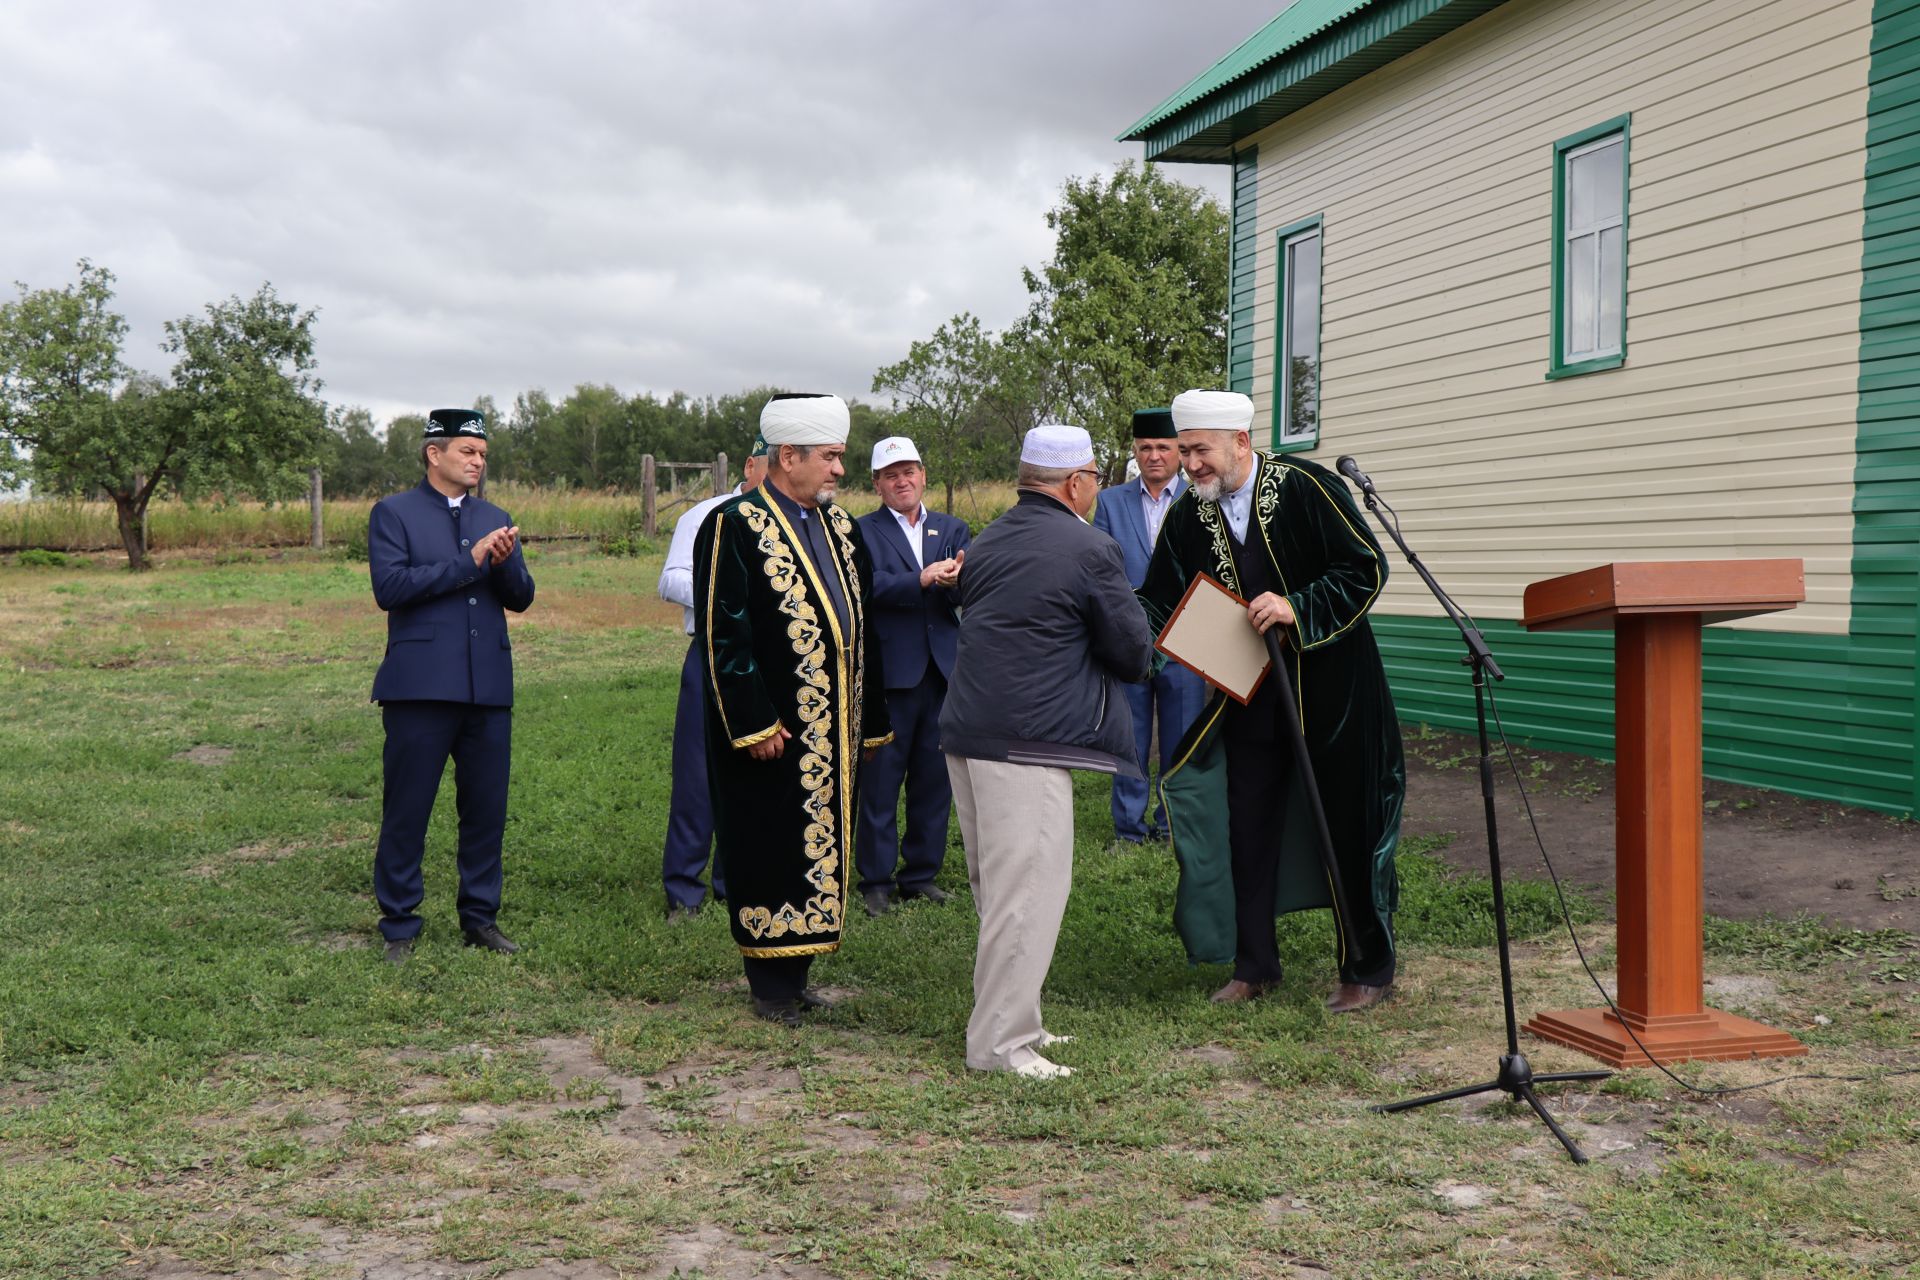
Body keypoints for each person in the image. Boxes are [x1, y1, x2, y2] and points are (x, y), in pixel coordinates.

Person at [1138, 390, 1404, 1014]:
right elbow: (1158, 599)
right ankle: (1254, 965)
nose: (1190, 464)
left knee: (1348, 823)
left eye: (1200, 450)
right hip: (1249, 698)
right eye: (1184, 452)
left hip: (1335, 694)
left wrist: (1296, 607)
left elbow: (1365, 567)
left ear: (1241, 443)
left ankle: (1367, 967)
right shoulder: (1186, 518)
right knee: (1248, 827)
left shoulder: (1306, 487)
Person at [940, 424, 1153, 1078]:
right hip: (1026, 742)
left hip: (969, 730)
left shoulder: (990, 538)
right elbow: (1132, 651)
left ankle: (1014, 1019)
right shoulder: (1091, 547)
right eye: (1093, 476)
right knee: (1026, 893)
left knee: (999, 894)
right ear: (1077, 483)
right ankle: (1001, 1048)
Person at [693, 393, 890, 1025]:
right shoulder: (733, 524)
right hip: (773, 728)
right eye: (830, 457)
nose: (839, 470)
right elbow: (726, 633)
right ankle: (769, 985)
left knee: (820, 843)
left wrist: (870, 715)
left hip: (832, 727)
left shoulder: (841, 527)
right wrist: (751, 722)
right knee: (767, 841)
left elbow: (864, 624)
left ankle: (797, 973)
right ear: (788, 455)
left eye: (840, 457)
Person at [366, 408, 536, 965]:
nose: (477, 462)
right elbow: (391, 587)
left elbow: (521, 597)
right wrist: (471, 560)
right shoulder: (394, 513)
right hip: (419, 688)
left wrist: (505, 563)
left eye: (483, 455)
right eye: (467, 452)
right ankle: (399, 922)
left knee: (485, 810)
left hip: (487, 685)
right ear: (433, 453)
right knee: (408, 808)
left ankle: (480, 918)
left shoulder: (495, 514)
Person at [854, 436, 971, 917]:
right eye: (891, 475)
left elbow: (969, 587)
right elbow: (862, 587)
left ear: (924, 476)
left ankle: (920, 874)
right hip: (889, 674)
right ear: (878, 484)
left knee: (933, 780)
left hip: (942, 673)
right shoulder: (860, 531)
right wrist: (920, 579)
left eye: (910, 471)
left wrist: (957, 581)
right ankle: (876, 880)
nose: (903, 481)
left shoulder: (951, 527)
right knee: (881, 782)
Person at [656, 438, 769, 919]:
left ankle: (736, 881)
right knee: (698, 772)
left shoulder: (798, 518)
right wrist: (732, 592)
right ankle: (684, 888)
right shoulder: (706, 515)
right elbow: (670, 580)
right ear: (751, 464)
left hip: (771, 661)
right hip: (716, 653)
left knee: (757, 769)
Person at [1092, 407, 1206, 845]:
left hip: (1186, 639)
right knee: (1130, 736)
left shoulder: (1200, 498)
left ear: (1179, 451)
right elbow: (1102, 568)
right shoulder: (1112, 501)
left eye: (1163, 447)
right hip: (1131, 639)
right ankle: (1128, 829)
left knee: (1181, 736)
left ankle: (1171, 822)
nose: (1154, 455)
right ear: (1135, 452)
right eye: (1145, 448)